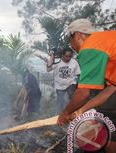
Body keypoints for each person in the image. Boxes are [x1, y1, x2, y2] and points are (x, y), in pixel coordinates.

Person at [57, 18, 116, 153]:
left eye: (70, 40)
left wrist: (65, 113)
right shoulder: (105, 42)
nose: (71, 46)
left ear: (78, 35)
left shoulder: (90, 46)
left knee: (108, 121)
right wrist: (81, 110)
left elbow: (83, 93)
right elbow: (110, 90)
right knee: (107, 114)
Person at [38, 48, 80, 112]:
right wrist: (52, 57)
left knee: (70, 96)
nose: (68, 58)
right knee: (60, 102)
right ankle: (60, 115)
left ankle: (71, 112)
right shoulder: (57, 61)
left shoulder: (74, 62)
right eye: (66, 56)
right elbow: (48, 69)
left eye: (70, 56)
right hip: (59, 86)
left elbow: (78, 73)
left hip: (71, 83)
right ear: (62, 55)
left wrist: (79, 86)